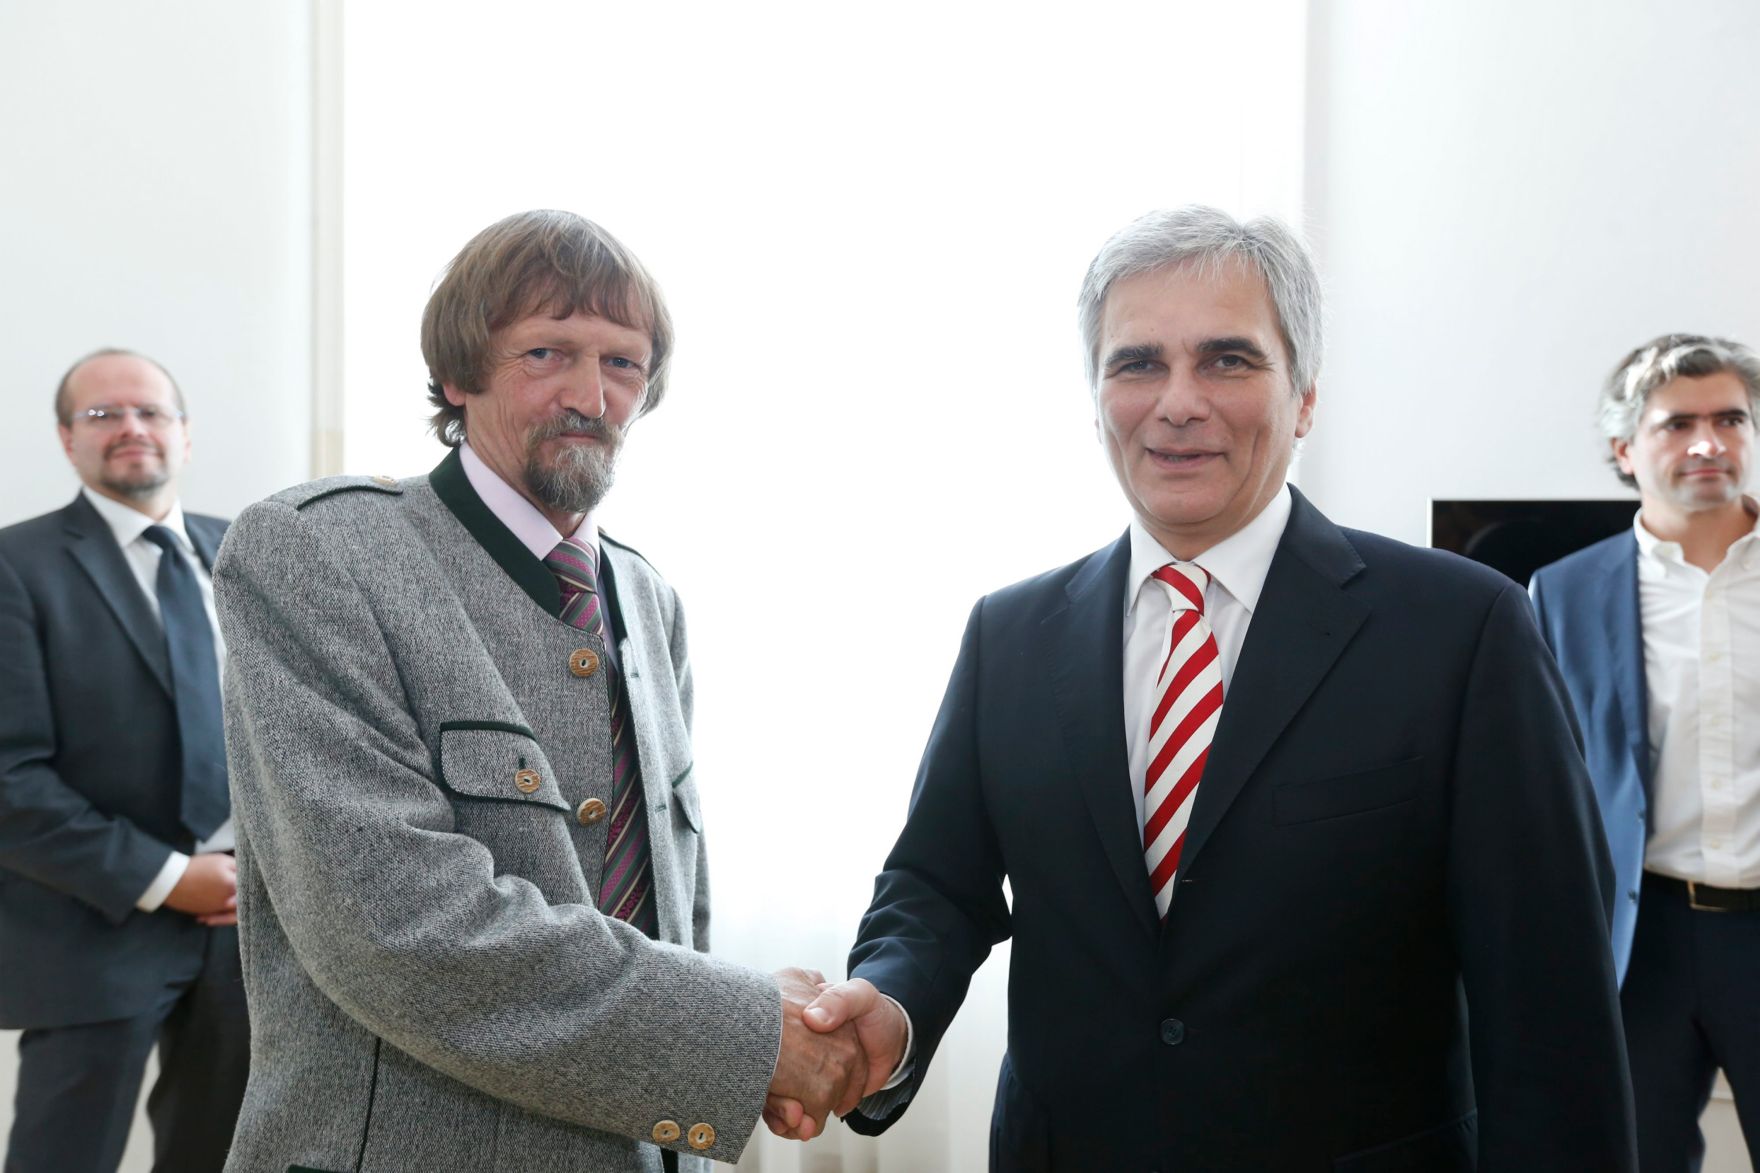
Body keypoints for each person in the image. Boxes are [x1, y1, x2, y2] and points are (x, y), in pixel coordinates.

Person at [796, 206, 1638, 1170]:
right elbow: (936, 887)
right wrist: (891, 1007)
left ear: (1306, 396)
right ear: (1097, 394)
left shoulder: (1464, 628)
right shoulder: (1011, 633)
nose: (1178, 401)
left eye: (1228, 360)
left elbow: (1548, 1004)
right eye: (1138, 362)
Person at [213, 210, 865, 1172]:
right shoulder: (318, 552)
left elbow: (669, 912)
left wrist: (750, 1041)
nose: (589, 395)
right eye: (547, 352)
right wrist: (751, 1034)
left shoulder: (649, 598)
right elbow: (400, 929)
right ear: (457, 374)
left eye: (624, 364)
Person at [0, 350, 249, 1172]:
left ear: (185, 433)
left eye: (149, 411)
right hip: (89, 924)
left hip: (250, 932)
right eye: (103, 414)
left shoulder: (250, 557)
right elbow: (9, 779)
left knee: (225, 1156)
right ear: (67, 438)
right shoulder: (14, 567)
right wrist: (172, 876)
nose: (131, 428)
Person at [1531, 334, 1760, 1171]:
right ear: (1625, 450)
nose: (1709, 442)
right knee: (1634, 1156)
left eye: (1730, 418)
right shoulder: (1561, 591)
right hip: (1642, 937)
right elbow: (1545, 782)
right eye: (1678, 424)